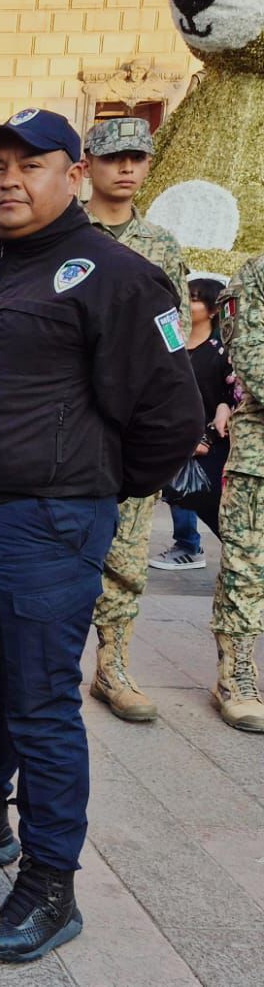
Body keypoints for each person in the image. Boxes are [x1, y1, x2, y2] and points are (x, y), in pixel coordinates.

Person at [0, 108, 201, 963]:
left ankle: (50, 885)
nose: (9, 180)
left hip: (45, 527)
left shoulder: (122, 278)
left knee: (40, 703)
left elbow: (172, 415)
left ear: (73, 175)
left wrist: (89, 490)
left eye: (30, 165)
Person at [79, 116, 193, 723]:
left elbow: (173, 335)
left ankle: (112, 665)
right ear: (87, 165)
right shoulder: (63, 232)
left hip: (129, 429)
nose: (126, 168)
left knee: (125, 557)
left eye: (137, 158)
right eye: (112, 157)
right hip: (67, 421)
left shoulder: (162, 247)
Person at [208, 258, 264, 732]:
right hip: (260, 456)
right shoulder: (256, 275)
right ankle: (236, 676)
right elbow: (252, 358)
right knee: (248, 569)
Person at [169, 278, 234, 539]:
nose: (185, 304)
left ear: (214, 309)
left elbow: (234, 395)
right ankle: (186, 545)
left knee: (219, 514)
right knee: (179, 495)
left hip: (211, 447)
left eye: (193, 299)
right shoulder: (169, 348)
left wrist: (208, 435)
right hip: (172, 443)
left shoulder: (222, 352)